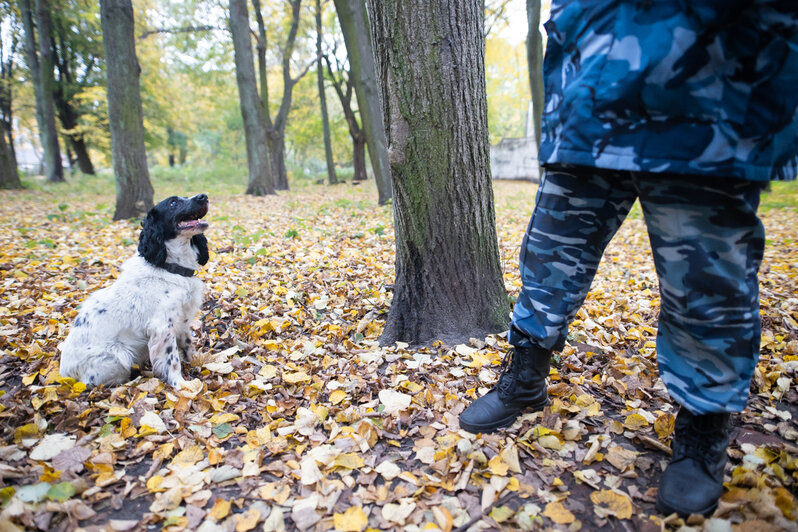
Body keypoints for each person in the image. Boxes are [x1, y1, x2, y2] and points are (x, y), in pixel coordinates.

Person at [459, 0, 798, 518]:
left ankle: (703, 428)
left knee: (706, 283)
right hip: (590, 91)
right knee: (549, 257)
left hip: (707, 93)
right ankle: (524, 378)